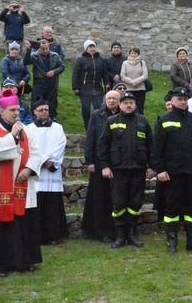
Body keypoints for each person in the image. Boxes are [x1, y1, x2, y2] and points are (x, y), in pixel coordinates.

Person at [0, 89, 43, 277]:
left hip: (22, 184)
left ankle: (23, 261)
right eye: (13, 110)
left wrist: (29, 169)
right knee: (0, 228)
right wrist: (13, 136)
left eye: (18, 109)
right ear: (1, 111)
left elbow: (36, 152)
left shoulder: (25, 129)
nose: (17, 113)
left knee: (23, 226)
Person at [152, 87, 192, 254]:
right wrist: (160, 170)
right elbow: (157, 149)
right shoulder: (164, 120)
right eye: (180, 99)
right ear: (172, 101)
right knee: (171, 208)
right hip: (173, 174)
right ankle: (172, 241)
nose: (183, 102)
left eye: (185, 99)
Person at [98, 92, 154, 249]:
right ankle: (120, 236)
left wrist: (151, 166)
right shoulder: (111, 121)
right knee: (119, 204)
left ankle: (132, 234)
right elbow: (103, 146)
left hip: (138, 170)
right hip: (118, 171)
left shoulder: (143, 121)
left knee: (135, 203)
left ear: (135, 104)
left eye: (131, 102)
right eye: (125, 103)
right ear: (119, 105)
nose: (128, 105)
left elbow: (151, 146)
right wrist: (105, 166)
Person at [26, 99, 68, 245]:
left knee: (52, 204)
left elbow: (61, 146)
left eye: (46, 109)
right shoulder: (28, 129)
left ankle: (53, 235)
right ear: (35, 112)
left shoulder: (58, 128)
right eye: (41, 109)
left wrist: (51, 161)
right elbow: (28, 148)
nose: (44, 112)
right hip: (37, 171)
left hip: (51, 171)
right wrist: (43, 161)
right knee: (37, 204)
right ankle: (37, 235)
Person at [82, 90, 120, 243]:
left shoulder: (123, 114)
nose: (111, 101)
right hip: (99, 162)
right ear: (105, 99)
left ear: (119, 101)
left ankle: (115, 229)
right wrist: (89, 160)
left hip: (117, 162)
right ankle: (98, 230)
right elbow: (90, 138)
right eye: (109, 98)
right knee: (99, 197)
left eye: (114, 99)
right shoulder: (97, 114)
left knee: (114, 197)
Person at [24, 39, 65, 120]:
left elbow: (62, 67)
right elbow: (26, 62)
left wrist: (54, 72)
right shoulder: (34, 56)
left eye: (47, 48)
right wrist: (28, 50)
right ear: (39, 48)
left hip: (52, 83)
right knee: (36, 101)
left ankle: (51, 118)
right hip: (39, 82)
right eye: (43, 49)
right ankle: (35, 118)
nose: (45, 50)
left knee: (52, 102)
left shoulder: (55, 55)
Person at [73, 40, 107, 130]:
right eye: (90, 47)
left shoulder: (101, 60)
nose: (92, 49)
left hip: (97, 89)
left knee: (99, 109)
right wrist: (75, 87)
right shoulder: (81, 59)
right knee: (86, 109)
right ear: (86, 49)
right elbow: (75, 73)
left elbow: (104, 73)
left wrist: (107, 84)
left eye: (93, 46)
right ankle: (88, 128)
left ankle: (99, 127)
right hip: (84, 89)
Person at [120, 46, 149, 114]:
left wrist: (136, 81)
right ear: (129, 54)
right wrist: (131, 81)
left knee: (140, 108)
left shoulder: (142, 63)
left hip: (140, 89)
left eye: (135, 53)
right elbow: (123, 75)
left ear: (138, 54)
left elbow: (145, 75)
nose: (133, 55)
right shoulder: (125, 63)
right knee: (128, 106)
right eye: (132, 53)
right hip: (128, 88)